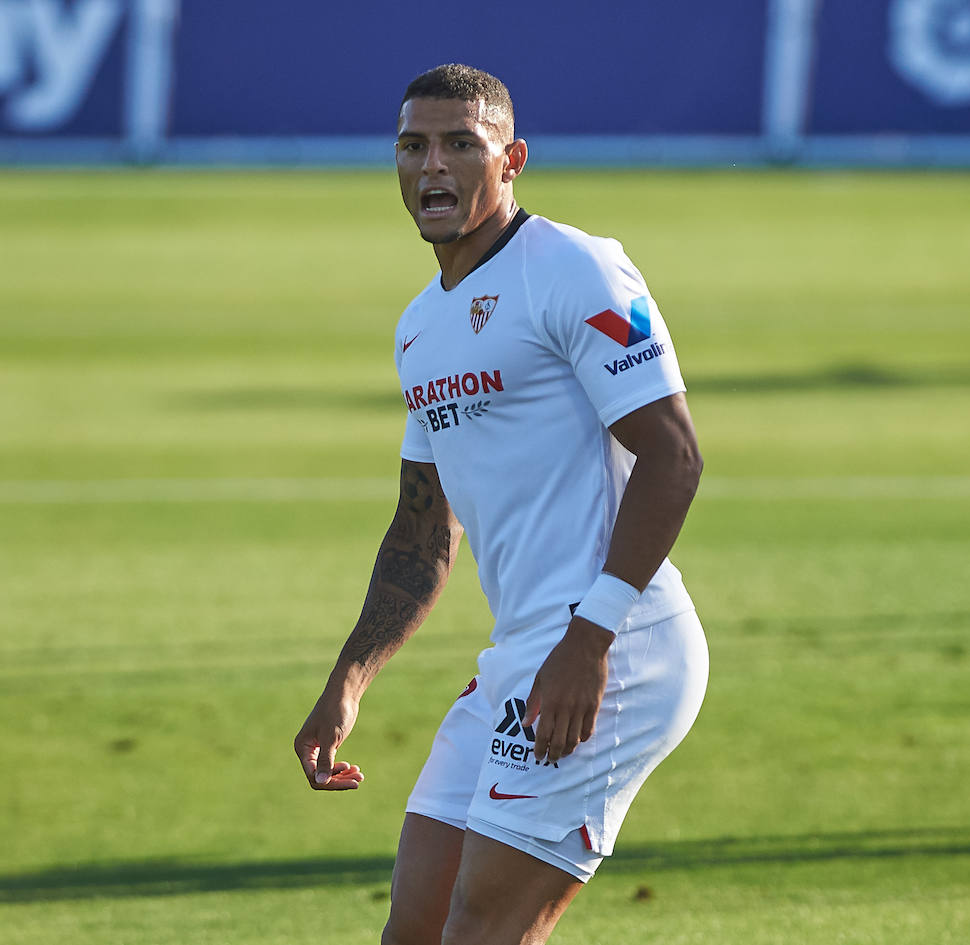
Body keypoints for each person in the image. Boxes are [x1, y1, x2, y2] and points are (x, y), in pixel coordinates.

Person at [293, 64, 710, 945]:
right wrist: (350, 679)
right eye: (413, 146)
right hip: (521, 655)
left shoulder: (574, 268)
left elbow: (673, 456)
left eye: (459, 145)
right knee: (416, 928)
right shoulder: (419, 326)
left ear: (511, 158)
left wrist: (590, 636)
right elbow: (420, 530)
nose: (432, 166)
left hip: (613, 648)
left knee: (481, 932)